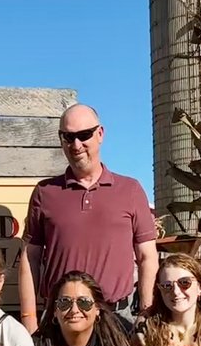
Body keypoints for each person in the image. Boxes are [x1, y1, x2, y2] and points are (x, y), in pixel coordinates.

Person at [19, 104, 158, 331]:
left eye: (84, 135)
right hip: (60, 320)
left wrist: (146, 314)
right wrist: (29, 320)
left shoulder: (130, 190)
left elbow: (147, 257)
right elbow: (30, 257)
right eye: (68, 137)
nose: (76, 145)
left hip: (116, 320)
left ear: (100, 134)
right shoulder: (45, 192)